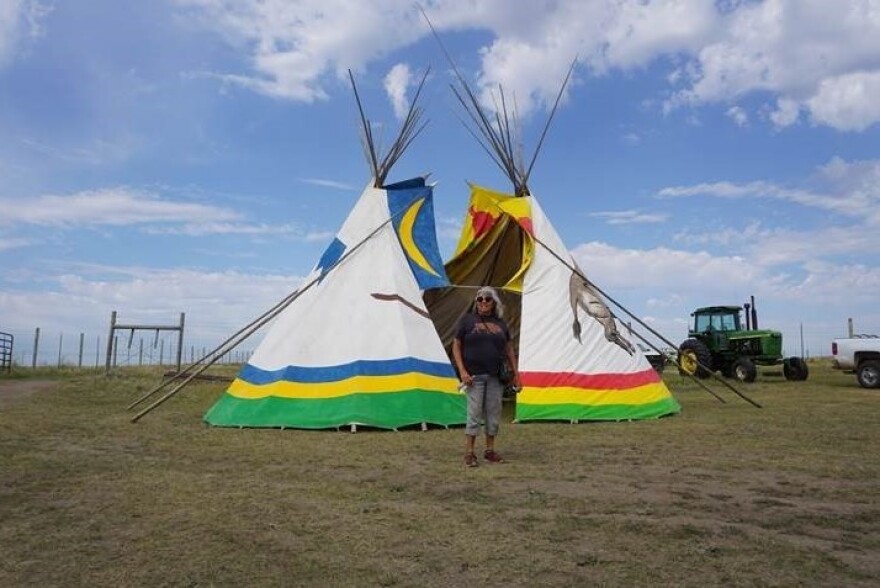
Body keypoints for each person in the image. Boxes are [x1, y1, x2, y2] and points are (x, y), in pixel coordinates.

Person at [452, 286, 520, 467]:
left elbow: (509, 349)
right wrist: (463, 371)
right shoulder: (467, 321)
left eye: (487, 299)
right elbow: (456, 345)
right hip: (474, 376)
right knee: (474, 414)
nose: (483, 302)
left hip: (495, 376)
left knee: (493, 414)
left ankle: (489, 451)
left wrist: (516, 374)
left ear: (494, 302)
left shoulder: (501, 325)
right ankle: (469, 452)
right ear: (476, 302)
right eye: (480, 299)